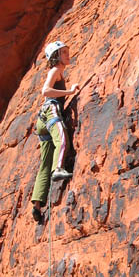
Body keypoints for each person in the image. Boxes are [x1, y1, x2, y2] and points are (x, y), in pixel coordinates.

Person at [31, 40, 79, 222]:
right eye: (64, 52)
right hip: (50, 111)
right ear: (56, 57)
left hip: (42, 121)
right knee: (62, 139)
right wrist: (70, 93)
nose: (68, 55)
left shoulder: (58, 72)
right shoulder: (56, 71)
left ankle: (37, 204)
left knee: (45, 162)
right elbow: (45, 91)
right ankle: (58, 168)